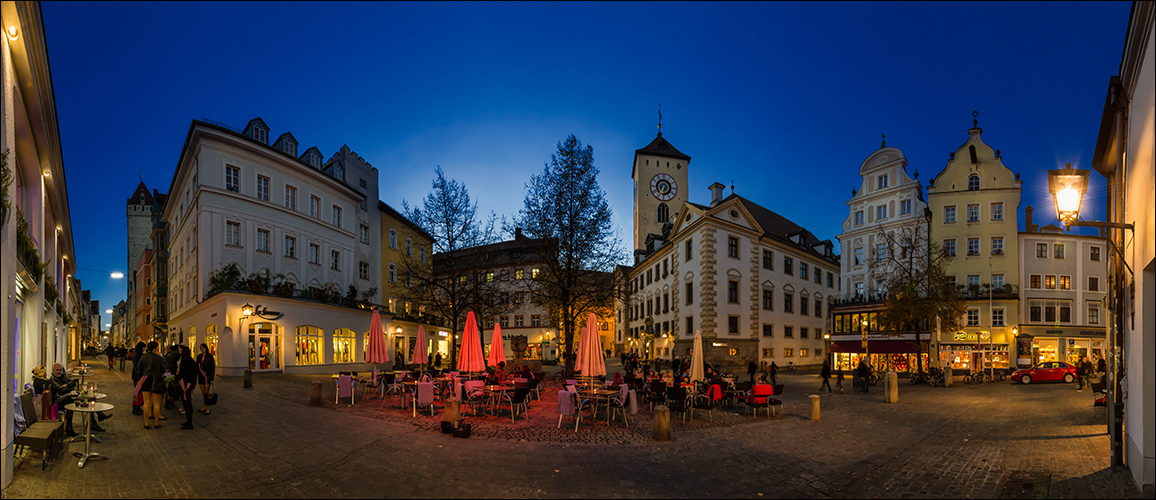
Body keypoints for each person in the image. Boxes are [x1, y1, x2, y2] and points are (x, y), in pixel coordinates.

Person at [137, 341, 167, 429]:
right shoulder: (159, 358)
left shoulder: (143, 357)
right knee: (156, 403)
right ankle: (156, 423)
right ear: (154, 349)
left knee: (146, 403)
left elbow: (139, 369)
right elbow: (162, 370)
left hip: (146, 380)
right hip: (156, 380)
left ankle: (146, 423)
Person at [48, 364, 80, 436]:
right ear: (53, 371)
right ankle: (69, 428)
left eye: (60, 370)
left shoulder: (62, 377)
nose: (59, 371)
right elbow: (62, 390)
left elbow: (73, 382)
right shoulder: (53, 379)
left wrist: (67, 385)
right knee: (71, 397)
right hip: (56, 402)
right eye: (57, 370)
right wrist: (70, 388)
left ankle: (69, 428)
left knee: (74, 398)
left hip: (62, 399)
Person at [176, 345, 198, 430]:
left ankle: (189, 423)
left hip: (184, 383)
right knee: (188, 402)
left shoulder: (184, 361)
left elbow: (182, 373)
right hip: (190, 383)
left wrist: (177, 377)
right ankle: (189, 422)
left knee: (186, 402)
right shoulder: (192, 360)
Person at [196, 343, 216, 415]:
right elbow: (197, 366)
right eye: (200, 347)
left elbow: (212, 367)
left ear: (206, 348)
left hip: (207, 377)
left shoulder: (210, 356)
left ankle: (208, 408)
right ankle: (204, 407)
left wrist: (212, 378)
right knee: (203, 393)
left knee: (207, 393)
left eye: (203, 347)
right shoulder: (199, 356)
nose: (202, 349)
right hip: (201, 377)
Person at [130, 342, 146, 415]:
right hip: (137, 376)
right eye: (143, 347)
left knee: (139, 392)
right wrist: (138, 377)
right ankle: (135, 408)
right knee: (136, 392)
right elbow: (137, 367)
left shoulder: (139, 354)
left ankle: (138, 407)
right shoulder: (136, 355)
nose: (144, 349)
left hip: (139, 375)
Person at [164, 344, 180, 410]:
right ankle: (171, 400)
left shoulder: (169, 356)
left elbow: (167, 363)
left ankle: (168, 401)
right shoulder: (177, 356)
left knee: (169, 387)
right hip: (174, 373)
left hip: (168, 373)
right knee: (173, 387)